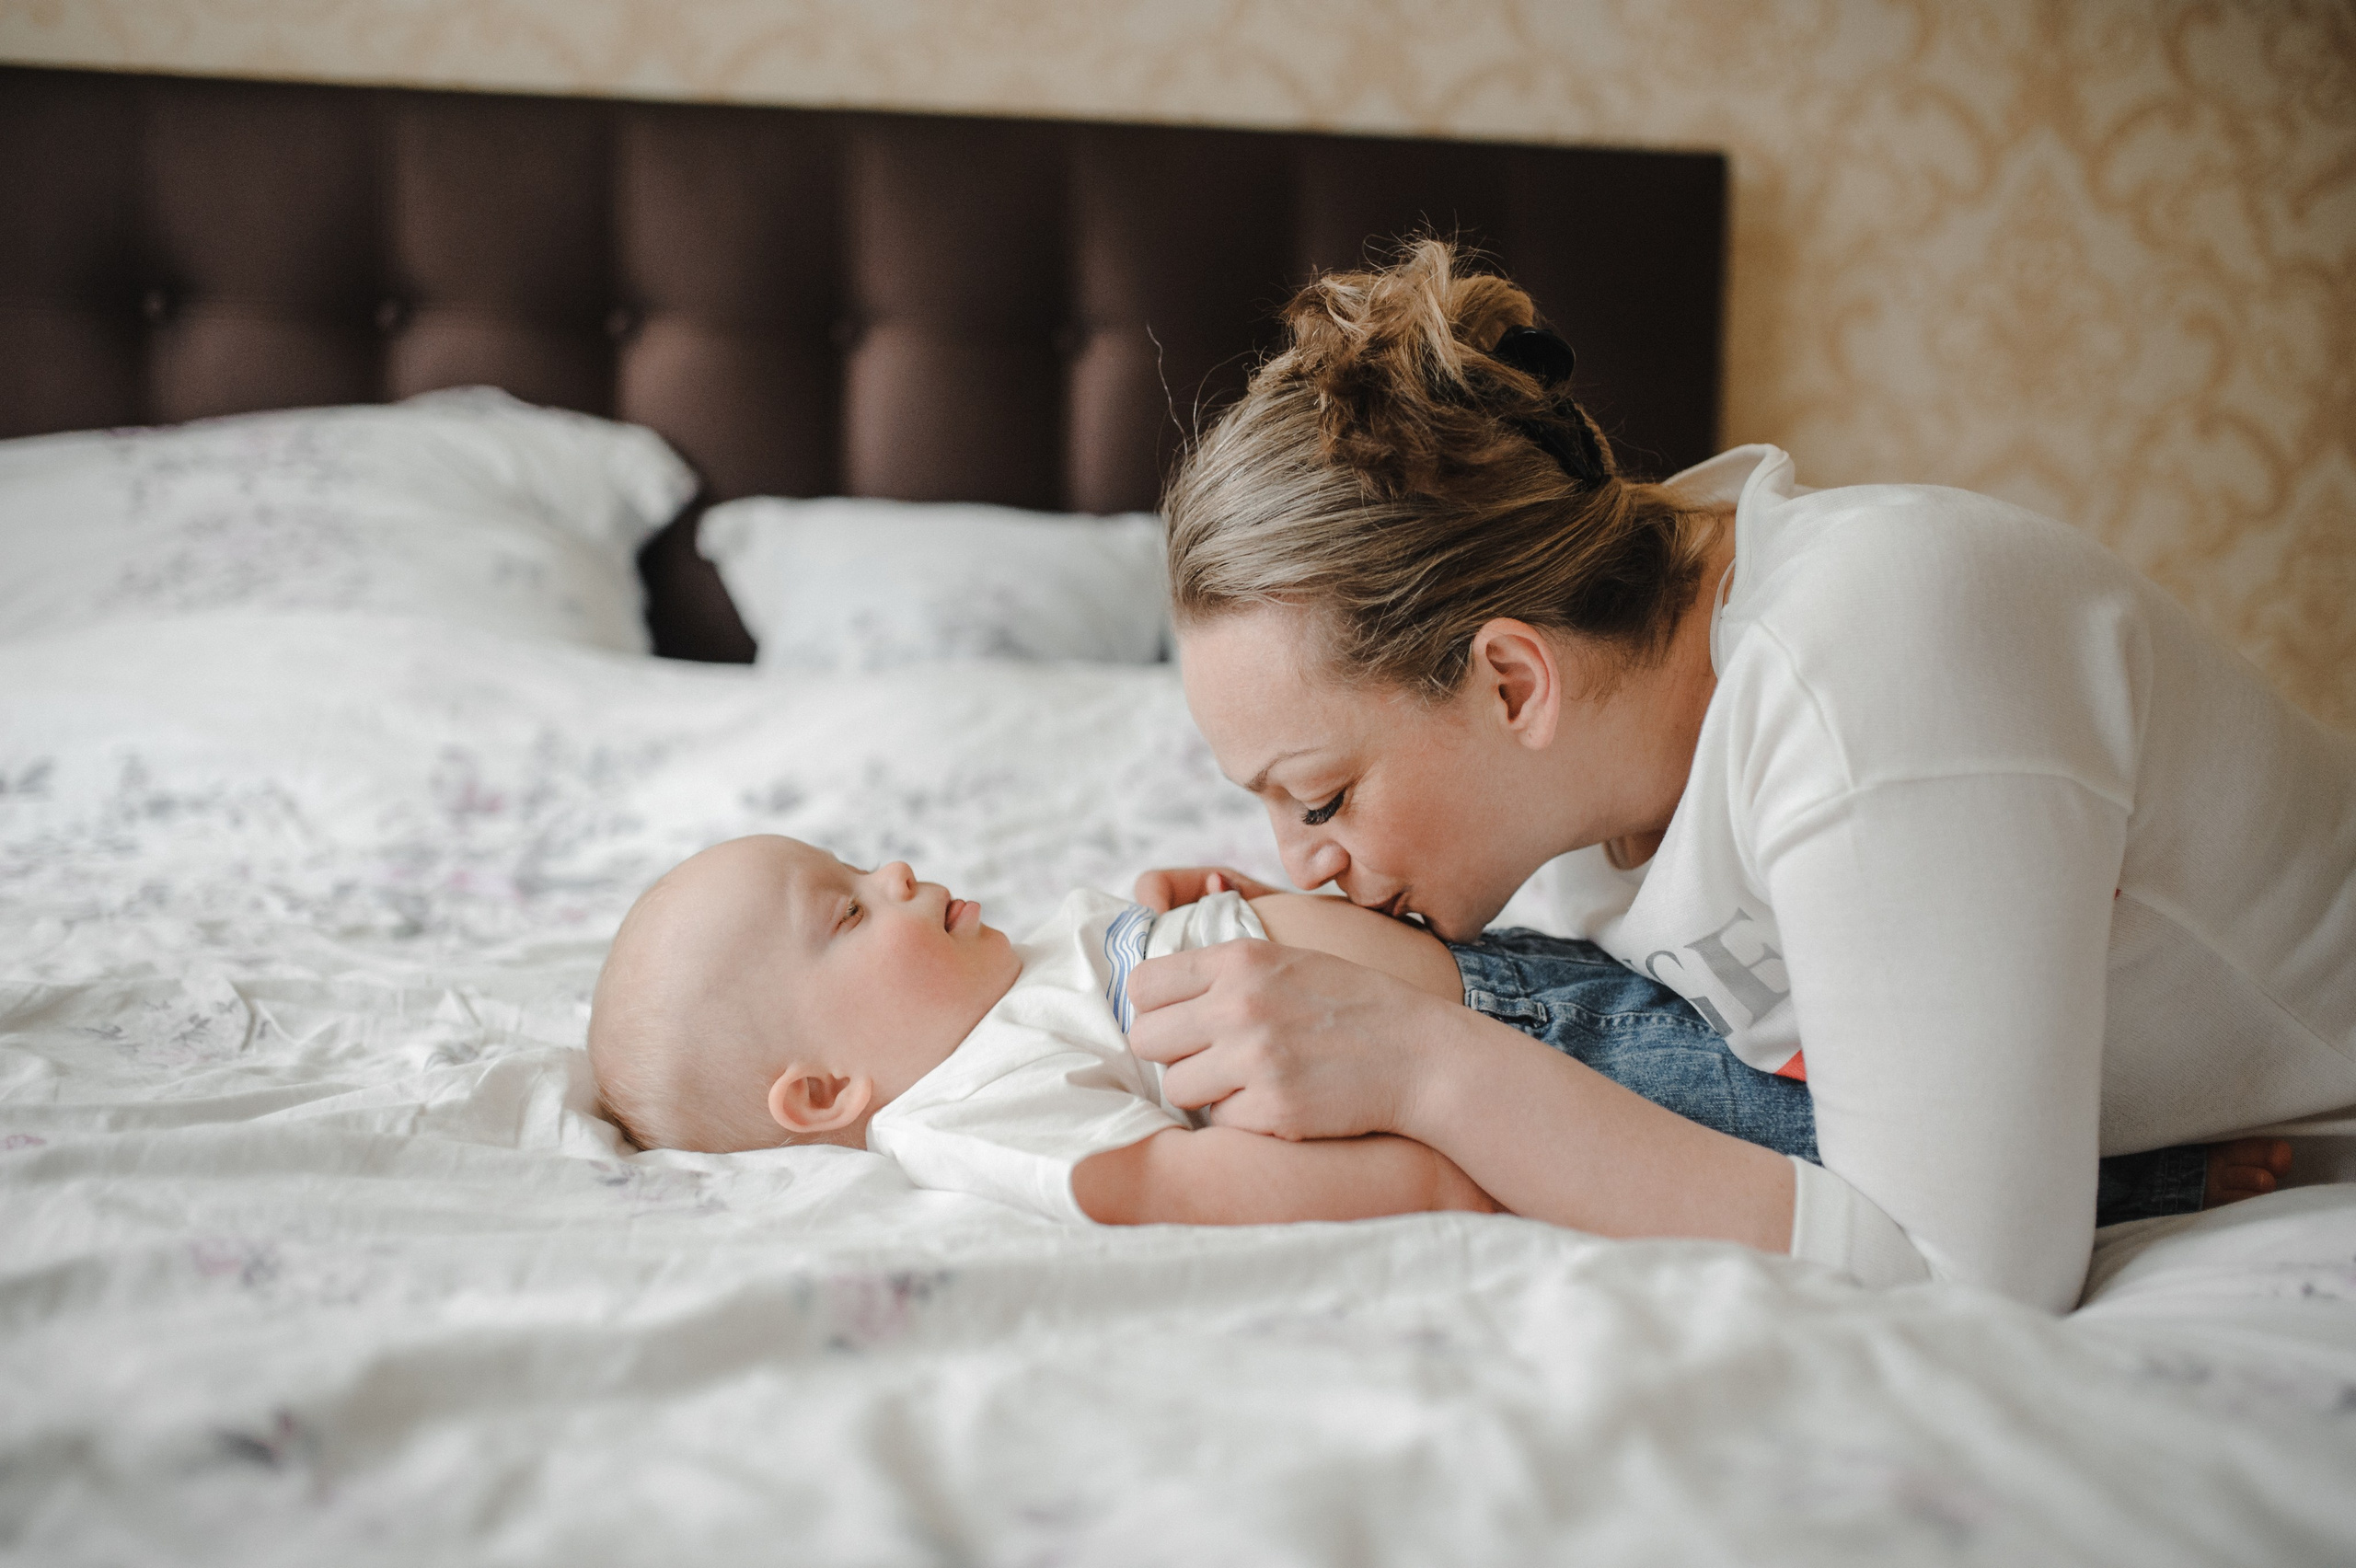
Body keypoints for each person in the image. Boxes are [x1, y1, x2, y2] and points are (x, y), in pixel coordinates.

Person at [1125, 238, 2350, 1310]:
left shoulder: (1868, 667)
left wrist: (1426, 1066)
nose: (1304, 859)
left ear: (1511, 683)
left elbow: (1966, 1280)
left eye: (1322, 798)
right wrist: (1345, 962)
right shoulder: (1608, 759)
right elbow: (1673, 1057)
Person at [586, 836, 2261, 1229]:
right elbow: (1168, 1184)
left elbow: (1198, 984)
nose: (892, 874)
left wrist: (1215, 900)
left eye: (856, 860)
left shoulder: (1005, 983)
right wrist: (1428, 1175)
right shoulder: (963, 1112)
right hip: (1555, 1066)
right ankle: (2166, 1167)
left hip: (1508, 970)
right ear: (825, 1091)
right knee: (1830, 1123)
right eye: (843, 914)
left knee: (1864, 996)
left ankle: (2147, 1048)